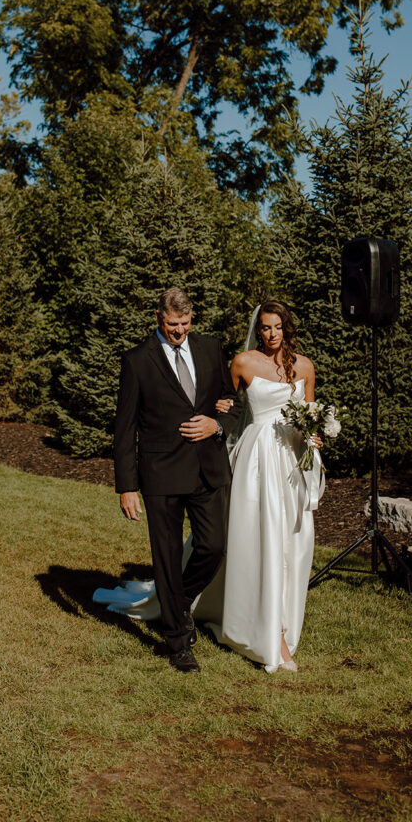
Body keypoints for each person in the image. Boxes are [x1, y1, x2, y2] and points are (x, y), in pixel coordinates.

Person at [113, 287, 240, 673]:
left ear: (192, 319)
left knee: (214, 546)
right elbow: (125, 428)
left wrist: (217, 422)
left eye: (184, 324)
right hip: (161, 474)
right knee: (166, 558)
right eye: (172, 325)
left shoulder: (210, 348)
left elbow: (231, 401)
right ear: (158, 318)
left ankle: (176, 600)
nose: (178, 331)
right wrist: (126, 486)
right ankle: (178, 640)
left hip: (207, 469)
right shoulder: (136, 361)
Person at [203, 300, 324, 673]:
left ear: (287, 327)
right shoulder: (243, 363)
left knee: (292, 541)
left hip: (291, 458)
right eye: (265, 328)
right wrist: (218, 407)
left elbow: (310, 414)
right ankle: (267, 634)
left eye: (278, 327)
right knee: (259, 539)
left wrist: (317, 437)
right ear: (259, 329)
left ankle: (283, 625)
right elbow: (224, 405)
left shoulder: (304, 366)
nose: (272, 334)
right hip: (257, 458)